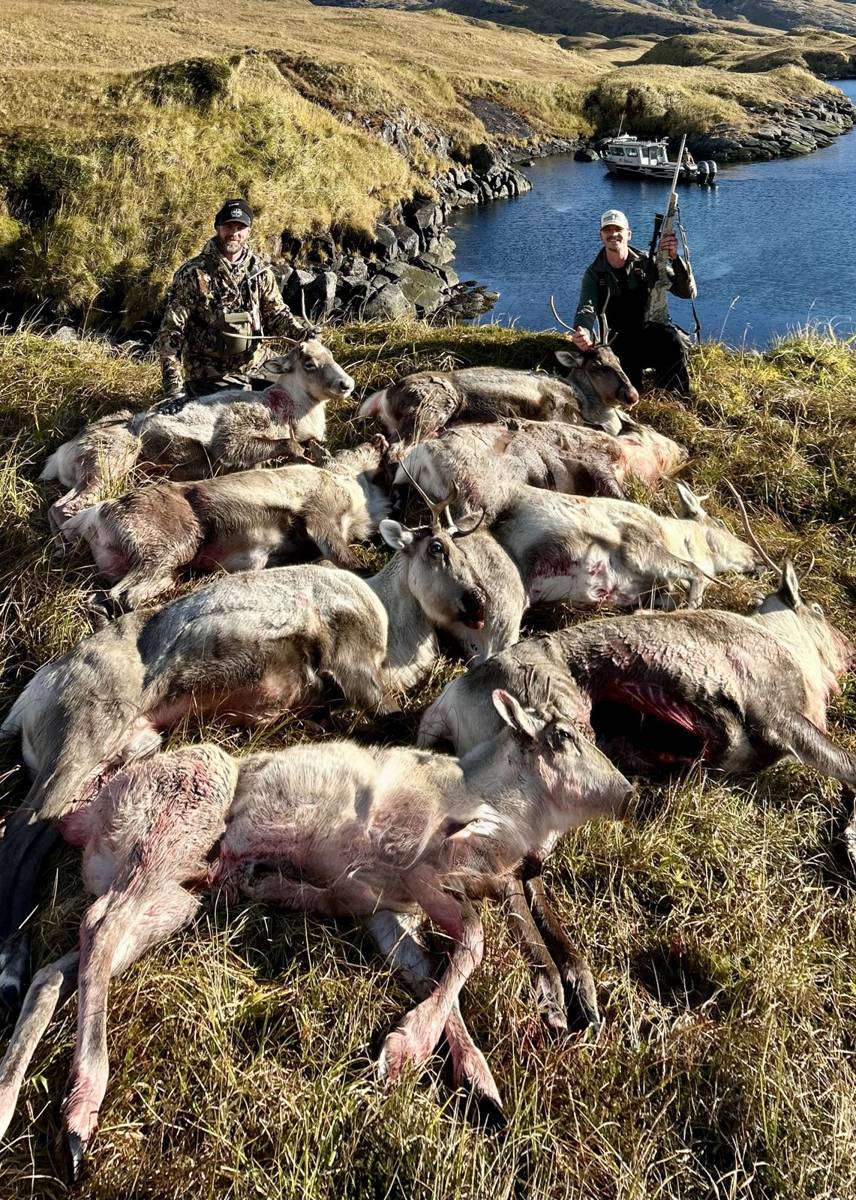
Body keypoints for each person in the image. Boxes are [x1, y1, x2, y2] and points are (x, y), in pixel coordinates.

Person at [152, 199, 314, 412]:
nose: (234, 233)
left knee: (304, 386)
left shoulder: (260, 272)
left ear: (248, 231)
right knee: (244, 411)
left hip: (257, 363)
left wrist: (304, 335)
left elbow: (276, 315)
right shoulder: (193, 274)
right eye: (228, 226)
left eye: (240, 228)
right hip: (210, 373)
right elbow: (170, 334)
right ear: (217, 227)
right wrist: (174, 392)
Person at [571, 208, 696, 396]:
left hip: (651, 332)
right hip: (620, 342)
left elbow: (687, 292)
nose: (613, 234)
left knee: (674, 340)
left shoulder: (647, 262)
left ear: (628, 234)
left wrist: (675, 258)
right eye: (607, 230)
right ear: (601, 235)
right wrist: (583, 331)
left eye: (618, 229)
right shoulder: (594, 273)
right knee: (629, 393)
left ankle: (676, 401)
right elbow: (586, 308)